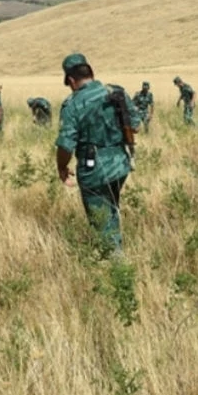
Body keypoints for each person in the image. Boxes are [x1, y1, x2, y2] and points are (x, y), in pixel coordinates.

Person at [56, 53, 136, 255]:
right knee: (111, 210)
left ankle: (115, 267)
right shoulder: (115, 92)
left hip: (95, 170)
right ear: (91, 72)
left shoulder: (72, 104)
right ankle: (116, 254)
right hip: (121, 164)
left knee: (101, 223)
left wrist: (61, 166)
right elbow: (135, 125)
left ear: (71, 80)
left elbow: (66, 145)